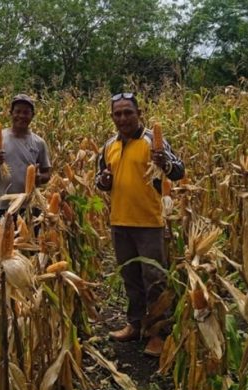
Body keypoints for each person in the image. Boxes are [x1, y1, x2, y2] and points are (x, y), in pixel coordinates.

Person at [95, 92, 185, 357]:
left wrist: (164, 162)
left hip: (149, 222)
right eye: (118, 114)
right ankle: (135, 324)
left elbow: (179, 171)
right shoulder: (109, 145)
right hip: (120, 221)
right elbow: (100, 179)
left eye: (128, 113)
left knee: (155, 279)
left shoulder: (151, 141)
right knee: (130, 277)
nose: (123, 118)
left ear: (139, 113)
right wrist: (104, 181)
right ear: (112, 117)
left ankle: (158, 333)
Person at [0, 94, 52, 222]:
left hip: (31, 205)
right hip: (3, 206)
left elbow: (47, 173)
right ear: (11, 113)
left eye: (26, 113)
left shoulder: (39, 143)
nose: (21, 116)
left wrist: (39, 178)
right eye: (18, 112)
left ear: (32, 115)